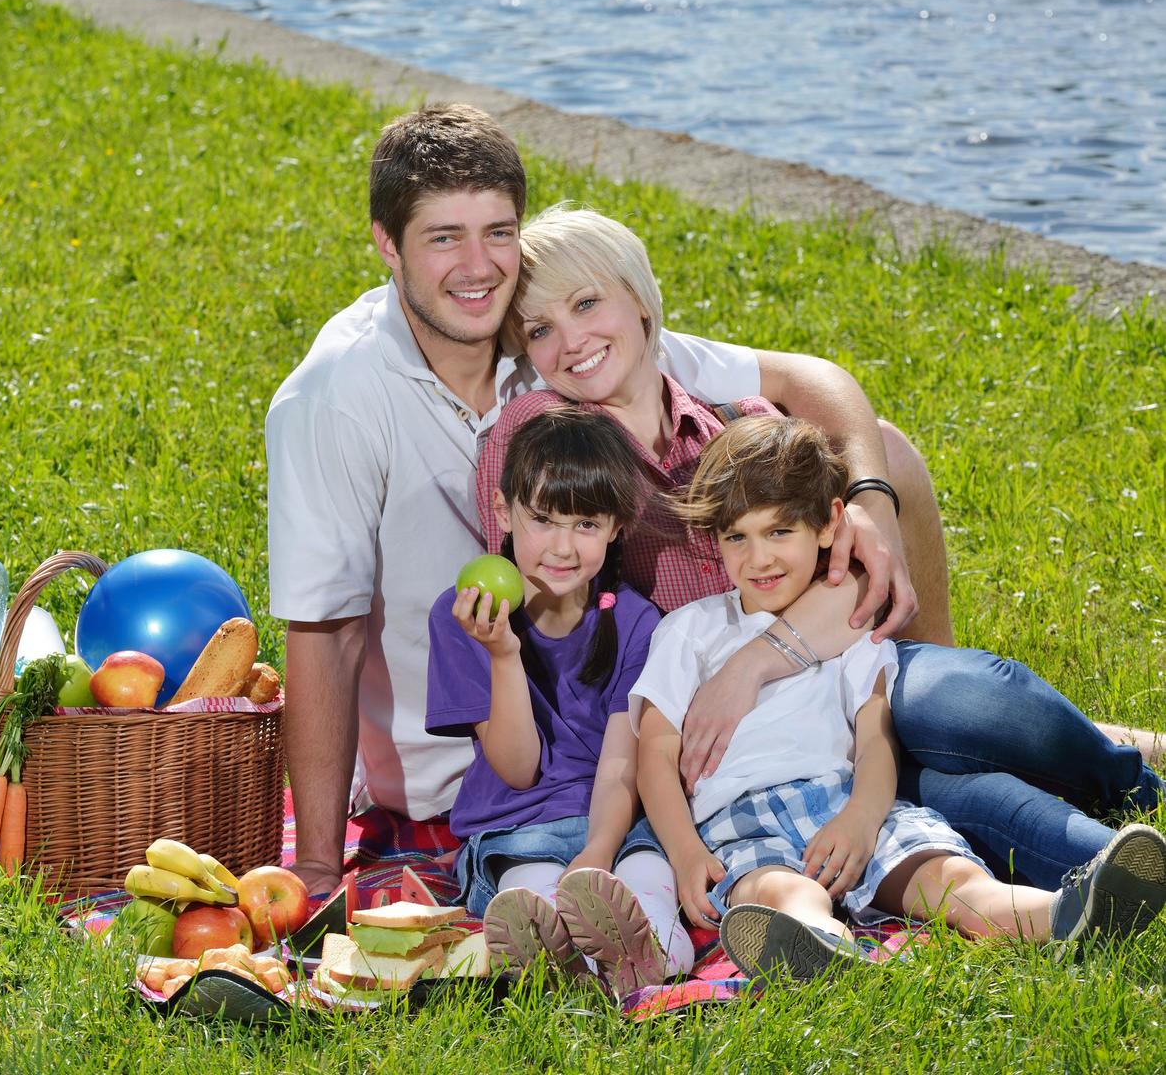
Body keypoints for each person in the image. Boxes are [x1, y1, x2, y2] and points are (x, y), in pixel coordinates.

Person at [266, 104, 926, 902]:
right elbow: (323, 630)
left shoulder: (548, 343)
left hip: (661, 703)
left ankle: (925, 714)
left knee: (885, 453)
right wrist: (312, 865)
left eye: (498, 232)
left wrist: (869, 507)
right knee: (946, 721)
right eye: (444, 237)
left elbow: (808, 379)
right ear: (386, 244)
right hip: (488, 759)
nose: (478, 266)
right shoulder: (338, 395)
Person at [479, 203, 1164, 889]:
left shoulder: (736, 425)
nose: (569, 341)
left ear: (641, 301)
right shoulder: (548, 447)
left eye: (587, 303)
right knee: (946, 783)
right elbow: (547, 619)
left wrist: (754, 662)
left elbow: (849, 571)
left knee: (953, 704)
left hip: (836, 675)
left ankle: (1129, 785)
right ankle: (1111, 857)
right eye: (540, 329)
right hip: (729, 751)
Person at [633, 411, 1166, 981]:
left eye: (779, 532)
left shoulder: (846, 624)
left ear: (829, 524)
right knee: (775, 891)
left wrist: (863, 817)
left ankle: (1063, 913)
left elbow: (875, 733)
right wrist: (687, 853)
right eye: (736, 537)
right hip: (741, 819)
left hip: (840, 797)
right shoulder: (691, 629)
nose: (758, 558)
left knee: (950, 880)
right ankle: (820, 945)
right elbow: (656, 754)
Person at [427, 407, 693, 993]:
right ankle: (558, 960)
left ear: (617, 527)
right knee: (536, 884)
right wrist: (502, 653)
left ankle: (649, 954)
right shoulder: (464, 615)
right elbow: (518, 770)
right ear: (503, 512)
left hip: (618, 819)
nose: (563, 547)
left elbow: (625, 759)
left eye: (586, 525)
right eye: (543, 519)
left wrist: (600, 847)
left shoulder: (635, 622)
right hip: (519, 824)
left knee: (647, 873)